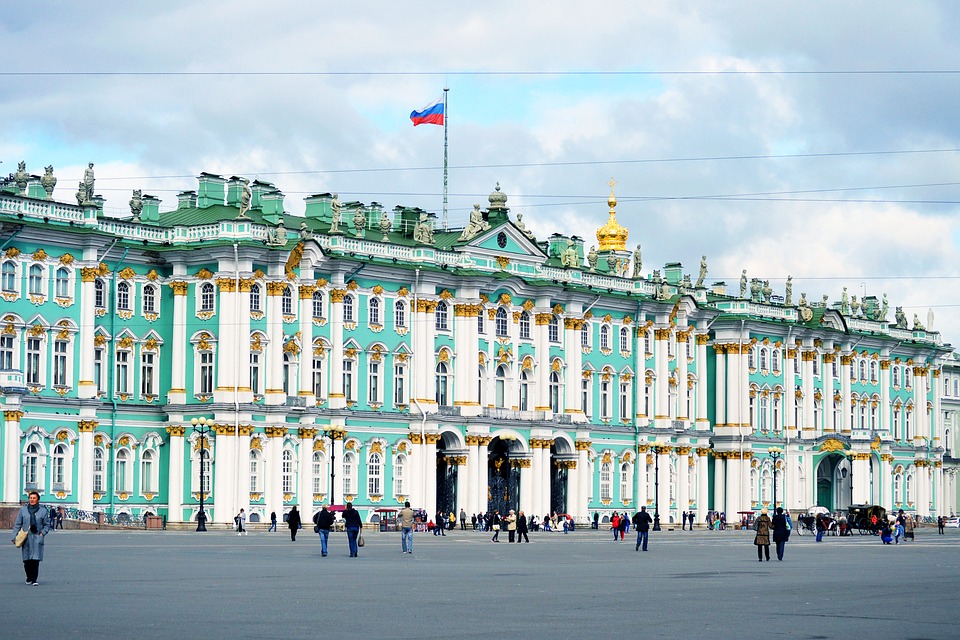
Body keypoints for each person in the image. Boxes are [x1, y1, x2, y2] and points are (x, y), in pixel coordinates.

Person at [13, 491, 52, 585]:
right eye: (31, 498)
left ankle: (34, 579)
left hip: (37, 537)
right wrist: (14, 536)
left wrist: (42, 533)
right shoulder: (23, 510)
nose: (32, 500)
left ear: (38, 499)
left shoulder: (43, 511)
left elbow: (47, 525)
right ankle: (29, 577)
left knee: (35, 559)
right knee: (26, 560)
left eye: (34, 498)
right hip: (26, 537)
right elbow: (18, 524)